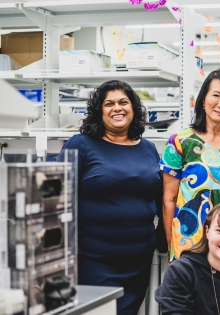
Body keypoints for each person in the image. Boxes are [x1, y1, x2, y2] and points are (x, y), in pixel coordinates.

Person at [57, 80, 161, 315]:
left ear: (133, 109)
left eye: (124, 102)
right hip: (93, 259)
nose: (117, 108)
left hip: (138, 259)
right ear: (99, 111)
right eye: (109, 103)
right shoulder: (81, 145)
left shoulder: (148, 149)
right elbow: (59, 200)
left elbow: (157, 195)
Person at [159, 69, 220, 266]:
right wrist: (173, 245)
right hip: (191, 238)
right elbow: (168, 200)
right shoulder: (180, 142)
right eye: (216, 95)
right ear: (203, 100)